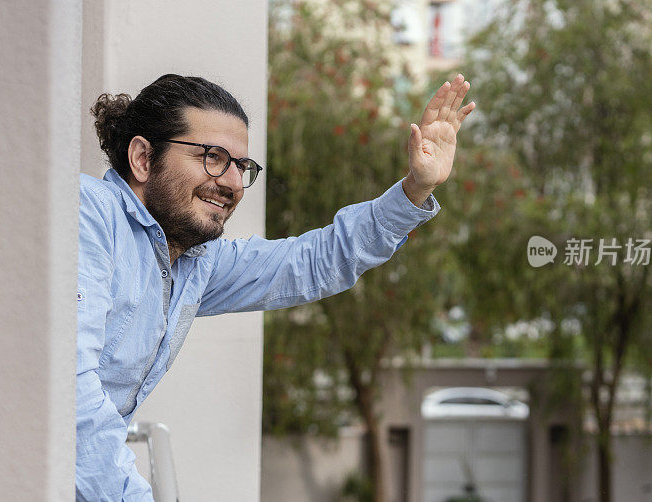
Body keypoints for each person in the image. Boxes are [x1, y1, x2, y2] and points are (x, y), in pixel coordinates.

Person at [76, 73, 475, 501]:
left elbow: (313, 261)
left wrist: (416, 189)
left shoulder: (192, 263)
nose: (231, 182)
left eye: (241, 167)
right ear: (142, 158)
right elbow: (72, 395)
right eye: (212, 156)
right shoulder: (89, 216)